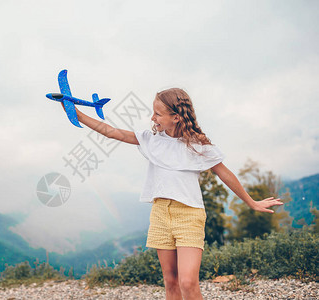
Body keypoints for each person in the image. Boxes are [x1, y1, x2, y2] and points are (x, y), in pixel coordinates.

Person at [60, 88, 283, 300]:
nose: (152, 117)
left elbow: (225, 174)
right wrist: (77, 114)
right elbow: (111, 132)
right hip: (160, 214)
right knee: (171, 282)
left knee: (188, 282)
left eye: (158, 113)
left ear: (176, 117)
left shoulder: (197, 145)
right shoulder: (151, 139)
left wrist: (251, 202)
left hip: (189, 215)